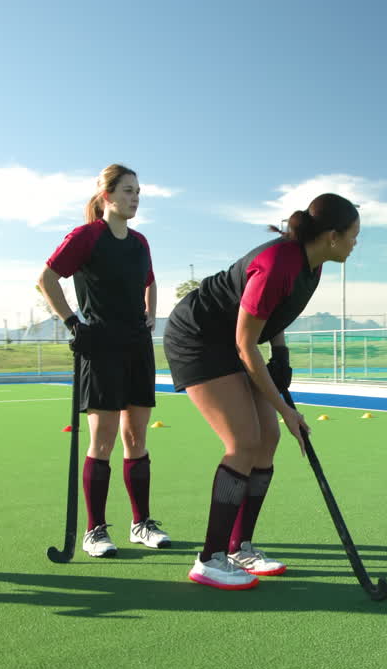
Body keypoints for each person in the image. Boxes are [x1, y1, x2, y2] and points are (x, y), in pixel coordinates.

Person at [164, 192, 359, 589]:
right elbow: (244, 343)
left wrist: (282, 353)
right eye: (354, 235)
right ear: (333, 236)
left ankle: (240, 546)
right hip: (199, 339)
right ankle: (210, 558)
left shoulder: (312, 265)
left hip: (235, 339)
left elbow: (272, 314)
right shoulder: (277, 264)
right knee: (243, 441)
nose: (356, 243)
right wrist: (288, 411)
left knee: (266, 439)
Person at [38, 164, 168, 558]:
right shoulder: (86, 237)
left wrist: (150, 313)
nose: (135, 198)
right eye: (128, 190)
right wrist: (73, 323)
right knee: (105, 439)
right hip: (100, 345)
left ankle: (141, 523)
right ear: (106, 196)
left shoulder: (140, 242)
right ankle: (94, 531)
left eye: (138, 191)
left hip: (136, 345)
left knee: (137, 438)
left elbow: (150, 279)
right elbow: (46, 278)